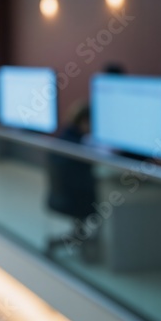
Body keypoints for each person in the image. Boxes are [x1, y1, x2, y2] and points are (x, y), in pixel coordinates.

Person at [45, 104, 98, 256]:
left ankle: (82, 236)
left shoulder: (64, 137)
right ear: (85, 121)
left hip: (61, 197)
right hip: (77, 199)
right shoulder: (78, 147)